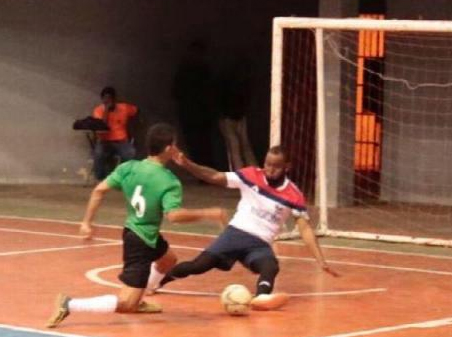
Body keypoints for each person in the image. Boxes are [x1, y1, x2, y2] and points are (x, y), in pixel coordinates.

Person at [46, 123, 227, 328]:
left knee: (168, 260)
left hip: (137, 232)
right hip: (140, 242)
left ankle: (143, 295)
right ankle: (70, 304)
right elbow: (174, 216)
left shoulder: (128, 167)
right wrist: (208, 213)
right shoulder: (169, 181)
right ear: (168, 149)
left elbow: (99, 190)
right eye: (175, 145)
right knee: (126, 303)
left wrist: (86, 222)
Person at [155, 145, 338, 311]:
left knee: (270, 266)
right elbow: (214, 176)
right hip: (235, 234)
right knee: (198, 266)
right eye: (267, 164)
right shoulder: (251, 176)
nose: (270, 169)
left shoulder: (294, 195)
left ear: (287, 167)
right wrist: (187, 164)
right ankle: (158, 282)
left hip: (259, 244)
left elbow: (305, 229)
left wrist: (320, 261)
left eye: (276, 166)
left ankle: (261, 298)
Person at [172, 40, 215, 168]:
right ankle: (205, 171)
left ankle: (202, 172)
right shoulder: (204, 70)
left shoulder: (186, 70)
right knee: (202, 144)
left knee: (197, 144)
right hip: (199, 113)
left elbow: (175, 92)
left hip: (192, 113)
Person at [217, 57, 257, 170]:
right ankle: (240, 174)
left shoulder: (244, 84)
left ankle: (253, 171)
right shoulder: (227, 84)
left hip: (239, 117)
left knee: (243, 145)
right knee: (234, 146)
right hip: (228, 118)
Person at [92, 86, 138, 181]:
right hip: (104, 141)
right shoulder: (98, 110)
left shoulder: (124, 107)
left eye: (110, 98)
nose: (107, 101)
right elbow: (102, 125)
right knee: (98, 154)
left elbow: (136, 111)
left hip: (121, 141)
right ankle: (101, 179)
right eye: (105, 98)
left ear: (114, 99)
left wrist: (135, 127)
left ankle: (122, 177)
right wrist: (106, 110)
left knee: (130, 153)